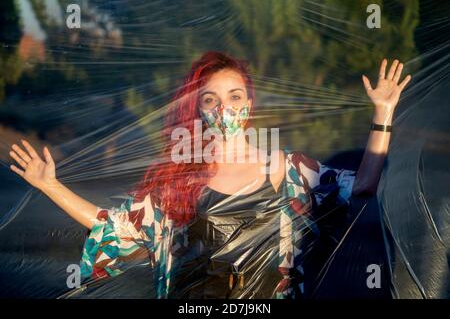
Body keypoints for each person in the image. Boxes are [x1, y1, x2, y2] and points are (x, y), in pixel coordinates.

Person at [8, 51, 411, 299]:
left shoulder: (287, 170)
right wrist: (50, 185)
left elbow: (362, 185)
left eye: (234, 97)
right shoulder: (177, 184)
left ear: (249, 105)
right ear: (197, 109)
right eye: (211, 99)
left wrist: (383, 113)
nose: (223, 109)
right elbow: (113, 227)